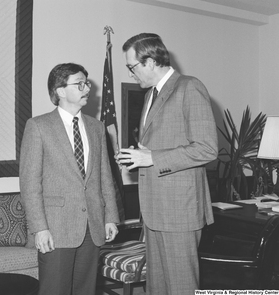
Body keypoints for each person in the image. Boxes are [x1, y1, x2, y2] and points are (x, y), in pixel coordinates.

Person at [116, 33, 218, 295]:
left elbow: (207, 149)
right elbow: (161, 146)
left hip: (179, 212)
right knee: (157, 287)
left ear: (150, 61)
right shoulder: (151, 94)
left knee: (181, 286)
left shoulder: (189, 87)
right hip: (154, 209)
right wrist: (137, 156)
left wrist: (152, 158)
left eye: (132, 67)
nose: (131, 73)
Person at [19, 63, 120, 295]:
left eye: (87, 83)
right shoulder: (38, 126)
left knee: (85, 290)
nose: (87, 88)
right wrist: (39, 228)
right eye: (80, 84)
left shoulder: (97, 127)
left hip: (92, 226)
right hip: (56, 228)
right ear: (61, 91)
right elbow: (30, 184)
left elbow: (105, 176)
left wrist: (110, 217)